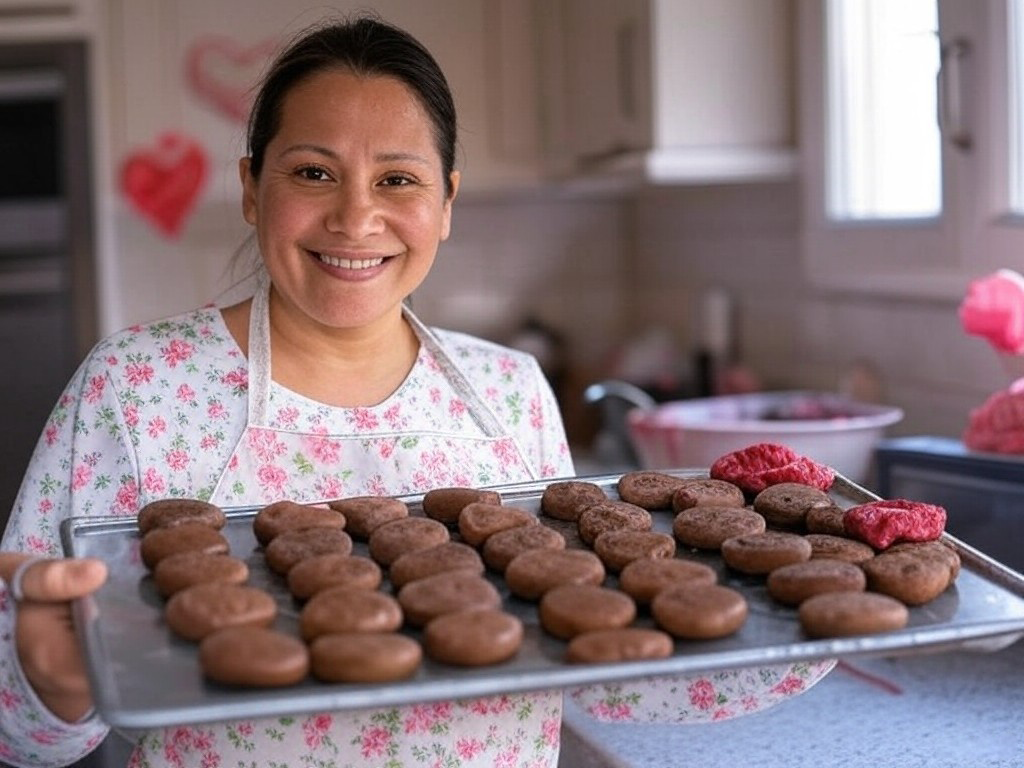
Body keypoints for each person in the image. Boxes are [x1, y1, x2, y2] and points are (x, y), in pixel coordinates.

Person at [0, 15, 833, 767]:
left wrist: (809, 616)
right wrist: (49, 679)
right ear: (253, 187)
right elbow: (25, 730)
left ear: (446, 203)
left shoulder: (509, 393)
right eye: (314, 173)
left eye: (397, 179)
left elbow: (591, 663)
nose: (356, 219)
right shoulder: (138, 388)